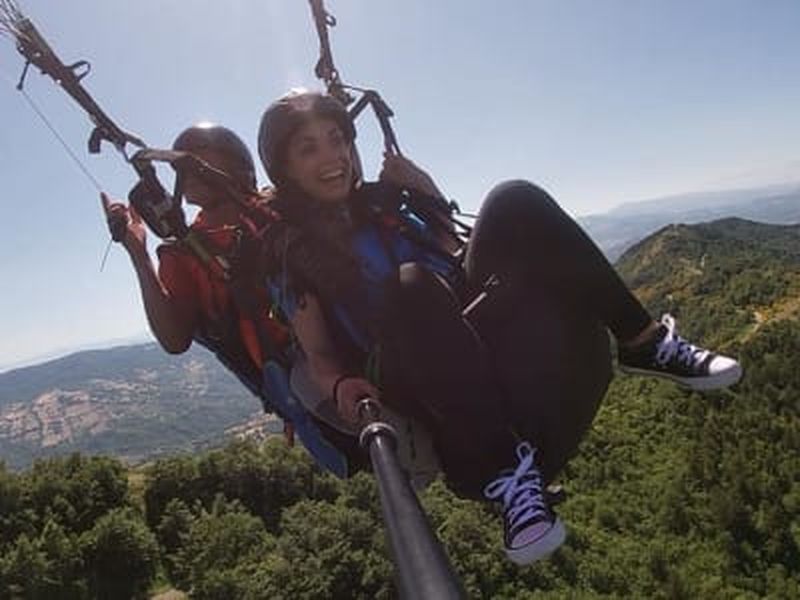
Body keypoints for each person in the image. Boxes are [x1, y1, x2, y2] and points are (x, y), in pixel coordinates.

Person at [255, 90, 742, 565]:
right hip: (413, 368)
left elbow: (450, 255)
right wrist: (339, 384)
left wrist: (426, 193)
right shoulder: (295, 253)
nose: (333, 155)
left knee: (514, 198)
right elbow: (317, 353)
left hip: (468, 321)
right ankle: (506, 474)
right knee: (410, 285)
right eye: (309, 147)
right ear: (285, 168)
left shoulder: (382, 205)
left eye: (337, 138)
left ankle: (643, 340)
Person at [101, 122, 359, 477]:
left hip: (358, 335)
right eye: (182, 166)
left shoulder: (278, 207)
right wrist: (138, 254)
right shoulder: (186, 254)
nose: (188, 172)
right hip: (307, 379)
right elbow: (174, 340)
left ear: (238, 169)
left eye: (199, 160)